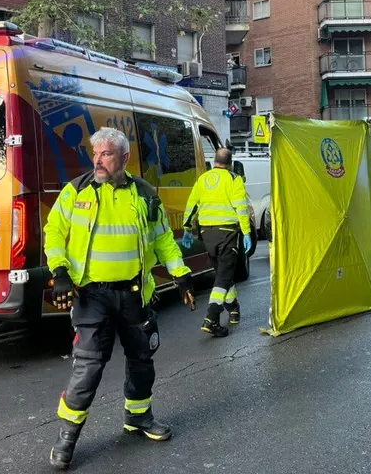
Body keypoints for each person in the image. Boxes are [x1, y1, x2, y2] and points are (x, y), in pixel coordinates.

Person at [43, 127, 197, 470]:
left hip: (133, 293)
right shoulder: (76, 191)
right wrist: (61, 270)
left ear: (124, 158)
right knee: (89, 367)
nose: (97, 160)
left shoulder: (144, 193)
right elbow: (53, 231)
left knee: (142, 359)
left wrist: (181, 275)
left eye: (106, 154)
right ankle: (67, 437)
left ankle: (138, 417)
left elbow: (162, 240)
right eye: (94, 154)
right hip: (91, 294)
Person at [182, 148, 251, 337]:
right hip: (228, 233)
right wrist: (246, 232)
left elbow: (192, 204)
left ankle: (234, 309)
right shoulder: (234, 178)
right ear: (230, 163)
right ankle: (211, 318)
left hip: (207, 234)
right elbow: (241, 208)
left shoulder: (202, 179)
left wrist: (187, 228)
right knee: (223, 277)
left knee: (223, 275)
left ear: (214, 161)